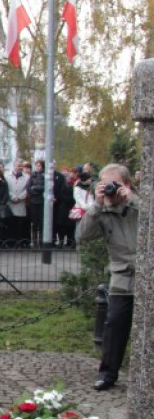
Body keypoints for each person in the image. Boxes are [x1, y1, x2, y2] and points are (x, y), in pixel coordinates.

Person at [78, 164, 138, 391]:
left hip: (147, 275)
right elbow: (82, 236)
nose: (111, 190)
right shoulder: (102, 211)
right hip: (122, 275)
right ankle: (108, 374)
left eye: (115, 185)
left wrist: (131, 199)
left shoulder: (138, 205)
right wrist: (96, 205)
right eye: (106, 185)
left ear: (127, 184)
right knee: (114, 323)